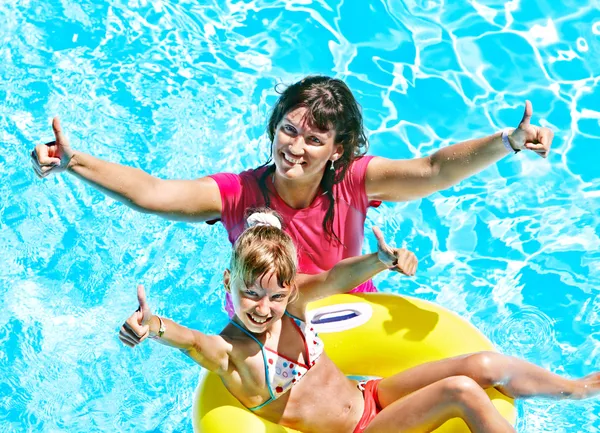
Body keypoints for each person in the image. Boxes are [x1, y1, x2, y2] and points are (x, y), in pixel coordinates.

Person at [32, 76, 554, 311]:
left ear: (339, 148)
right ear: (273, 127)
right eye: (288, 129)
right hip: (266, 314)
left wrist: (507, 141)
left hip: (350, 309)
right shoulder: (239, 193)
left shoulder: (356, 179)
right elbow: (152, 193)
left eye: (314, 138)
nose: (295, 147)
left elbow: (434, 168)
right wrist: (74, 161)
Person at [120, 210, 598, 433]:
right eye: (249, 294)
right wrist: (152, 325)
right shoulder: (233, 351)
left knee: (483, 364)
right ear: (229, 282)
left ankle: (576, 390)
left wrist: (377, 262)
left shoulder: (295, 306)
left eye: (274, 294)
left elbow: (333, 277)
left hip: (372, 396)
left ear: (289, 288)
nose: (262, 308)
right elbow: (189, 340)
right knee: (460, 392)